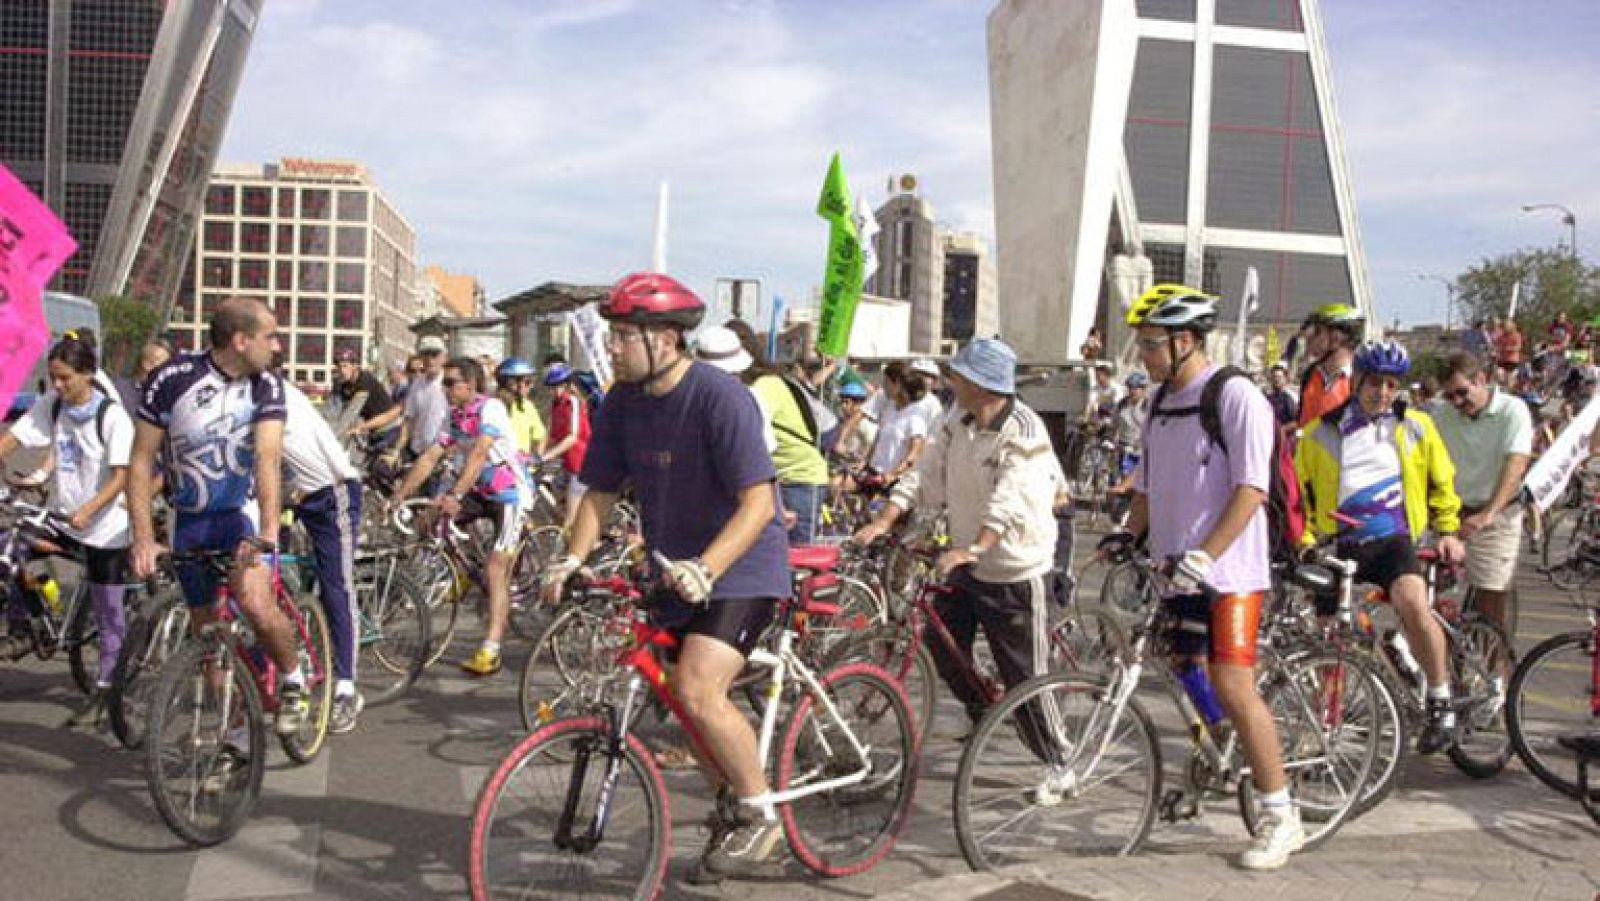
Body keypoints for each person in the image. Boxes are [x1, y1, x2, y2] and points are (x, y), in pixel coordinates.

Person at [540, 272, 791, 884]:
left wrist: (707, 568)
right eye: (612, 335)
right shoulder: (623, 402)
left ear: (666, 340)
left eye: (624, 336)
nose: (613, 347)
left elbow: (758, 504)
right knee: (679, 697)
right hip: (673, 570)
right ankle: (732, 802)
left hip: (741, 568)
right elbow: (600, 491)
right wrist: (572, 558)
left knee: (699, 685)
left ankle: (762, 817)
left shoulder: (719, 398)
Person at [1107, 283, 1303, 870]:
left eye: (1150, 343)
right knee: (1181, 664)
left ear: (1186, 340)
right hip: (1176, 568)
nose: (1142, 354)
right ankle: (1224, 749)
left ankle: (1279, 815)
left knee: (1235, 684)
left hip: (1232, 571)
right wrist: (1125, 534)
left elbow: (1251, 488)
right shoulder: (1157, 403)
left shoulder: (1236, 395)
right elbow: (1146, 483)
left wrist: (1208, 553)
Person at [854, 338, 1060, 735]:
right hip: (966, 560)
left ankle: (1060, 758)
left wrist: (977, 547)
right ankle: (984, 707)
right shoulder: (956, 420)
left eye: (957, 376)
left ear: (980, 384)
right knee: (941, 645)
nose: (950, 382)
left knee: (1027, 680)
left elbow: (1009, 498)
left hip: (1013, 567)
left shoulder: (1024, 430)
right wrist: (886, 520)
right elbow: (925, 475)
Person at [127, 297, 306, 756]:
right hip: (188, 521)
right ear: (240, 340)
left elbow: (267, 457)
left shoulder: (267, 384)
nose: (277, 344)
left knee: (255, 603)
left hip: (240, 517)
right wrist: (144, 538)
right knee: (208, 633)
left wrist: (267, 530)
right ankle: (237, 726)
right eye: (270, 336)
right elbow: (142, 459)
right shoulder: (172, 379)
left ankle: (292, 677)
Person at [1294, 341, 1466, 754]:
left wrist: (1447, 530)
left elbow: (1442, 482)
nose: (1383, 392)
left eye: (1392, 385)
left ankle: (1440, 698)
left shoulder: (1417, 426)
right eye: (1375, 383)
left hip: (1394, 539)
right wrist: (1302, 542)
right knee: (1330, 635)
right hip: (1340, 543)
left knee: (1412, 603)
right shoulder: (1321, 432)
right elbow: (1300, 495)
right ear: (1357, 381)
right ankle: (1328, 722)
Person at [0, 332, 135, 727]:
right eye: (53, 378)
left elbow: (122, 477)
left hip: (105, 527)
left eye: (65, 379)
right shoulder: (54, 405)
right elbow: (15, 438)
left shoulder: (111, 416)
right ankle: (26, 623)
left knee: (109, 612)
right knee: (11, 545)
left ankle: (107, 685)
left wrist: (89, 510)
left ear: (88, 374)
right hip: (62, 521)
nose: (57, 386)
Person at [392, 357, 530, 676]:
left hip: (508, 494)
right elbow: (430, 456)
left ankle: (491, 649)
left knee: (496, 570)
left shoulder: (490, 408)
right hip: (478, 491)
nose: (445, 388)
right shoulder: (452, 416)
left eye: (451, 382)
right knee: (428, 520)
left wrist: (455, 494)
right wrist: (401, 495)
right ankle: (461, 567)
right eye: (444, 382)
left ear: (470, 384)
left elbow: (480, 453)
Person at [279, 379, 365, 733]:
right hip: (296, 493)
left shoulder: (269, 393)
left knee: (336, 588)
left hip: (332, 492)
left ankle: (346, 688)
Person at [1432, 351, 1534, 636]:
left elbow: (1516, 463)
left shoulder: (1512, 410)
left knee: (1491, 600)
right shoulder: (1444, 415)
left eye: (1462, 393)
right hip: (1454, 512)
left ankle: (1495, 674)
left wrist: (1488, 513)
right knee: (1425, 592)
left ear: (1481, 380)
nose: (1457, 403)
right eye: (1449, 396)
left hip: (1497, 511)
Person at [536, 362, 591, 533]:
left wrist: (546, 456)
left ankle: (573, 553)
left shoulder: (573, 402)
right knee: (552, 505)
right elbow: (550, 434)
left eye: (559, 386)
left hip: (581, 465)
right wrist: (537, 454)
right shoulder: (555, 405)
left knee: (570, 519)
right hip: (566, 464)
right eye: (552, 387)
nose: (555, 391)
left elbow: (572, 437)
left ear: (567, 385)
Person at [1298, 303, 1363, 427]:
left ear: (1336, 338)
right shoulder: (1310, 375)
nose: (1309, 337)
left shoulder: (1359, 380)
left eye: (1317, 332)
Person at [866, 361, 930, 484]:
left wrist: (893, 474)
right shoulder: (891, 408)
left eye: (886, 382)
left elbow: (915, 452)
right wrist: (865, 461)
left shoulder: (915, 416)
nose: (883, 386)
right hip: (873, 473)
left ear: (898, 384)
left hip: (892, 482)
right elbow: (878, 438)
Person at [334, 348, 402, 450]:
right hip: (374, 430)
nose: (341, 370)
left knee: (381, 464)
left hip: (390, 429)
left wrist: (356, 428)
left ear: (355, 366)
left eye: (345, 366)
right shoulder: (345, 385)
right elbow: (340, 410)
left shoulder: (365, 380)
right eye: (339, 367)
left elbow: (352, 410)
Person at [398, 336, 449, 468]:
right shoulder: (417, 384)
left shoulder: (449, 382)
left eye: (435, 354)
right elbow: (409, 418)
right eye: (426, 355)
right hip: (419, 453)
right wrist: (397, 449)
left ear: (444, 357)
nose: (430, 360)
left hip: (442, 454)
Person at [494, 357, 547, 456]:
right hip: (499, 467)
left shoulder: (527, 406)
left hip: (521, 468)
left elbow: (541, 436)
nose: (531, 386)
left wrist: (537, 458)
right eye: (527, 382)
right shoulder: (492, 406)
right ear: (511, 383)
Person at [113, 340, 172, 411]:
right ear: (147, 363)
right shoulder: (118, 388)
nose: (167, 369)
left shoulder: (163, 400)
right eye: (164, 363)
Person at [1265, 363, 1299, 427]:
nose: (1276, 380)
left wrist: (1283, 429)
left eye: (1279, 377)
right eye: (1274, 377)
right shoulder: (1267, 398)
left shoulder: (1290, 398)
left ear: (1285, 379)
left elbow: (1297, 421)